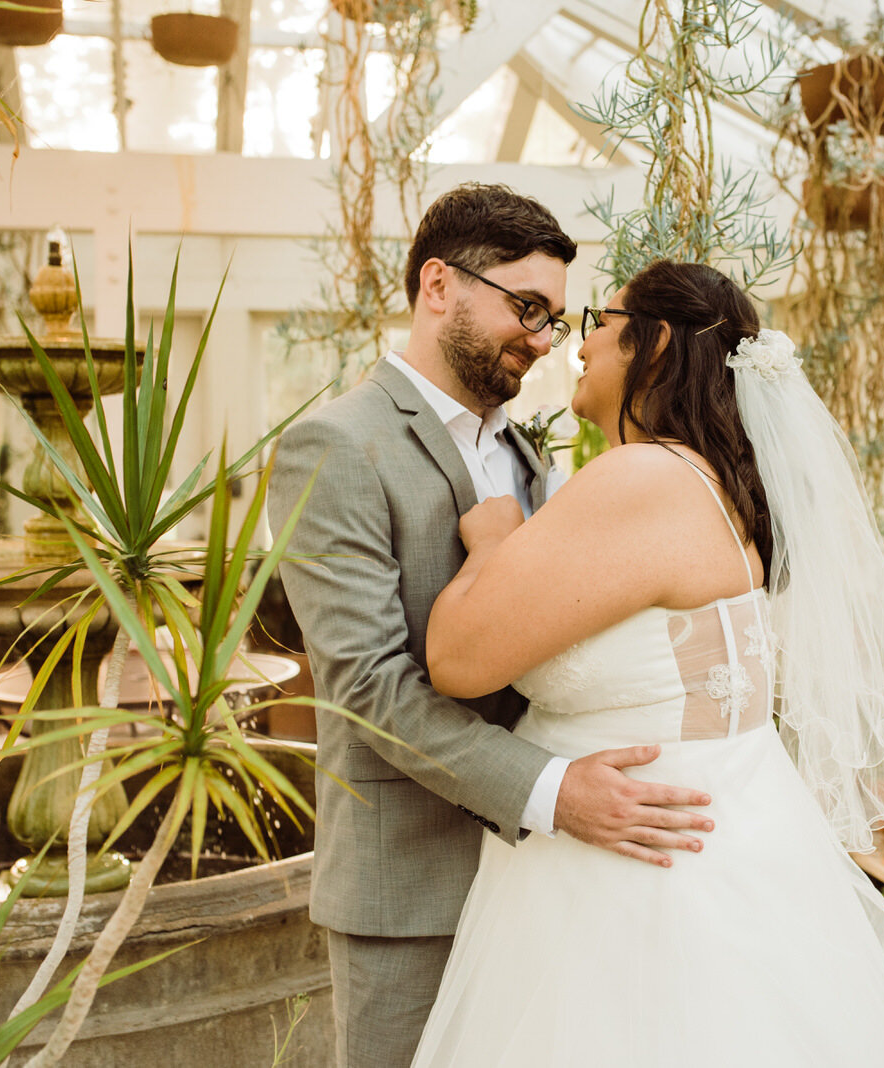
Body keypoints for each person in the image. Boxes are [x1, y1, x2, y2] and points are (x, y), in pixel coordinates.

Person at [410, 260, 884, 1066]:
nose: (578, 341)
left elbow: (455, 659)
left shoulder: (643, 478)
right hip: (731, 841)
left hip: (636, 889)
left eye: (599, 317)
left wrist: (491, 540)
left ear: (653, 344)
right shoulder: (722, 486)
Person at [267, 185, 716, 1068]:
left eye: (554, 318)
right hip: (414, 892)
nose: (545, 341)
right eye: (527, 308)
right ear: (439, 285)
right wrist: (555, 792)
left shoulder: (527, 452)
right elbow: (366, 692)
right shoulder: (333, 446)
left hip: (550, 885)